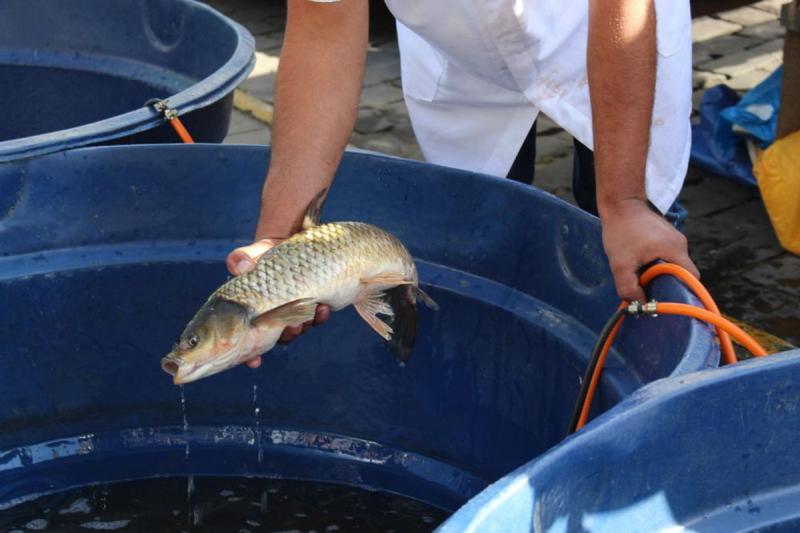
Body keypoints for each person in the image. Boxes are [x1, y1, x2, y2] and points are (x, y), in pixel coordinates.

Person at [225, 0, 701, 369]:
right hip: (463, 52)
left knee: (636, 252)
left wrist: (626, 202)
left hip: (606, 35)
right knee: (485, 240)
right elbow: (323, 29)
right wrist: (280, 244)